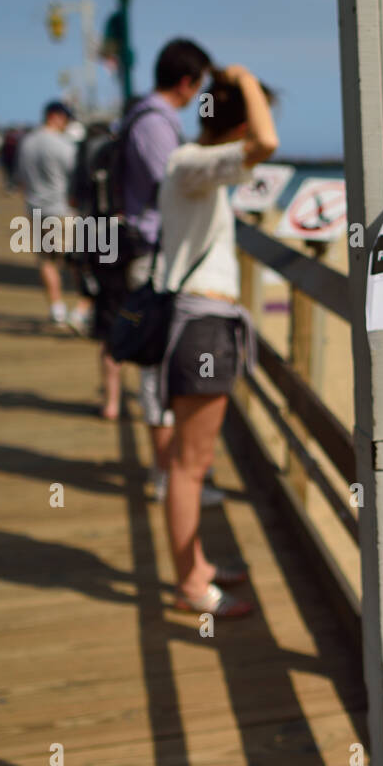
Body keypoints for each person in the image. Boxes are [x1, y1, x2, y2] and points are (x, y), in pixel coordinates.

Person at [154, 64, 277, 617]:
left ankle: (196, 567)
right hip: (202, 324)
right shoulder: (191, 164)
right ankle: (190, 585)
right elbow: (266, 142)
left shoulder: (195, 167)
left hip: (206, 322)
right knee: (190, 463)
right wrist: (244, 80)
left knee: (191, 460)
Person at [116, 39, 219, 496]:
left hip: (152, 255)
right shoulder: (157, 123)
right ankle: (170, 476)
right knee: (158, 369)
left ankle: (174, 473)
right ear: (187, 81)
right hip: (153, 258)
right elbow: (173, 186)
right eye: (200, 87)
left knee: (160, 367)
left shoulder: (142, 116)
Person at [14, 102, 90, 331]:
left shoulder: (26, 143)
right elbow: (78, 176)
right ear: (55, 117)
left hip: (36, 210)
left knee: (47, 261)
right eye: (65, 118)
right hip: (63, 210)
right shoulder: (63, 145)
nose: (67, 123)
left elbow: (20, 178)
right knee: (79, 262)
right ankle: (81, 311)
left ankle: (56, 308)